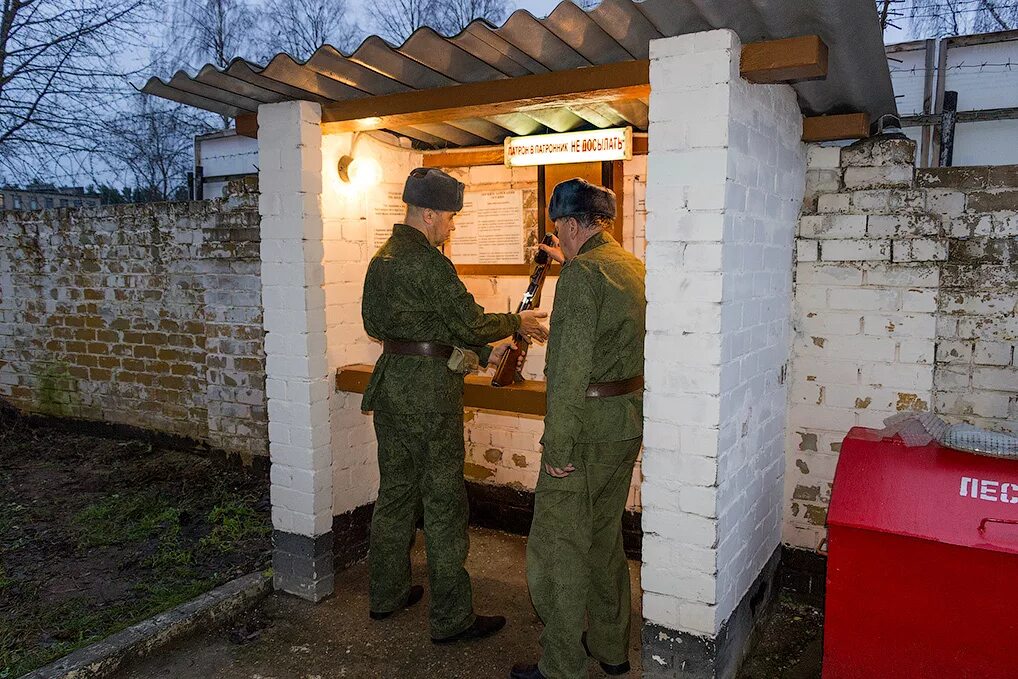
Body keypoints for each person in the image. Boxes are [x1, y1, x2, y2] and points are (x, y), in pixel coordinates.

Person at [361, 167, 549, 644]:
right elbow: (466, 322)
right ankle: (451, 618)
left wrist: (486, 354)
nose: (451, 226)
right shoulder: (428, 263)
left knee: (396, 495)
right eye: (448, 218)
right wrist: (517, 321)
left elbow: (398, 325)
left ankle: (387, 594)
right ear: (428, 214)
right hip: (428, 396)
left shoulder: (381, 261)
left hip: (392, 390)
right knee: (444, 503)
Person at [511, 178, 646, 679]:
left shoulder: (582, 277)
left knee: (558, 546)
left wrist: (557, 444)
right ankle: (612, 648)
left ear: (570, 224)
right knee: (605, 539)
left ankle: (561, 665)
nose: (559, 240)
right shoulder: (631, 267)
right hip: (624, 423)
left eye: (559, 230)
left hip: (584, 431)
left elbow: (567, 369)